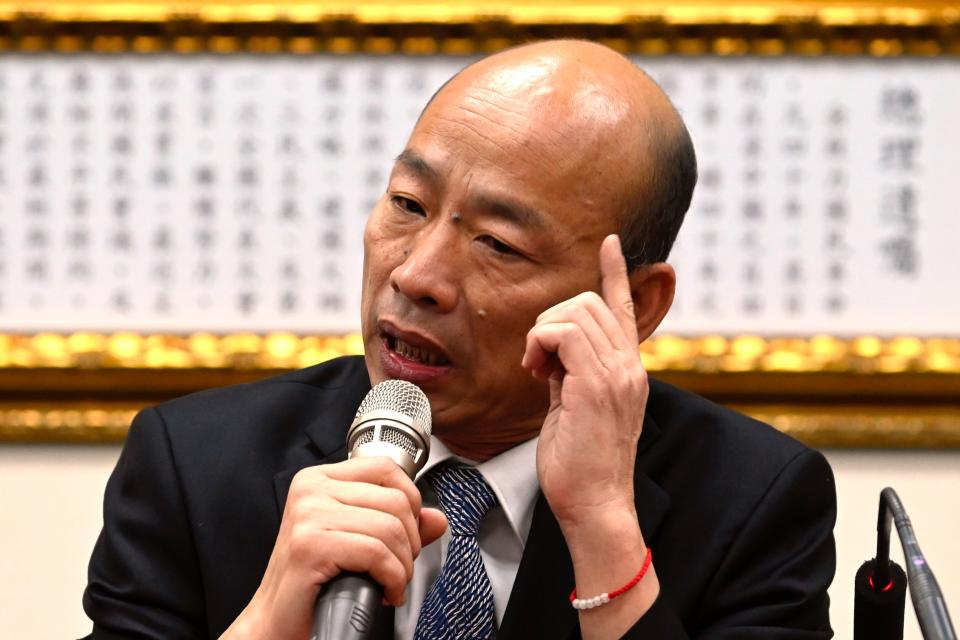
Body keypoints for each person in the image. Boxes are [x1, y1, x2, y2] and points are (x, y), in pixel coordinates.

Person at [83, 40, 836, 639]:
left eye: (499, 245)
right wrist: (264, 623)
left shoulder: (755, 501)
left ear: (633, 305)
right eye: (408, 203)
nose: (416, 275)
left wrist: (604, 526)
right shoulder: (193, 465)